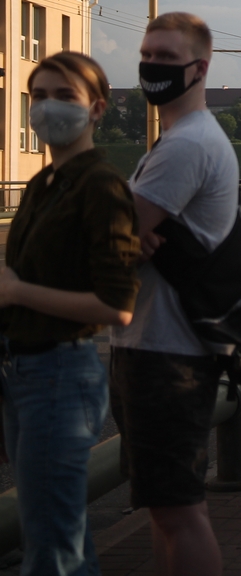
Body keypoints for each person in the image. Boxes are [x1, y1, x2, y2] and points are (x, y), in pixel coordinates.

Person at [0, 53, 139, 575]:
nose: (48, 107)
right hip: (22, 371)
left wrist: (17, 292)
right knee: (48, 535)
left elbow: (116, 305)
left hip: (59, 375)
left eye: (65, 96)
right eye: (38, 96)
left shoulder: (100, 185)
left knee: (54, 547)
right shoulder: (43, 183)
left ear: (96, 108)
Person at [109, 12, 234, 576]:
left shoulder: (187, 144)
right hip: (153, 345)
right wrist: (126, 235)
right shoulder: (176, 141)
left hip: (169, 352)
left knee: (179, 510)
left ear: (199, 67)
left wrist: (120, 233)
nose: (151, 66)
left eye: (165, 56)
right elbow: (121, 234)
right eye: (147, 54)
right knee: (165, 509)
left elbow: (105, 236)